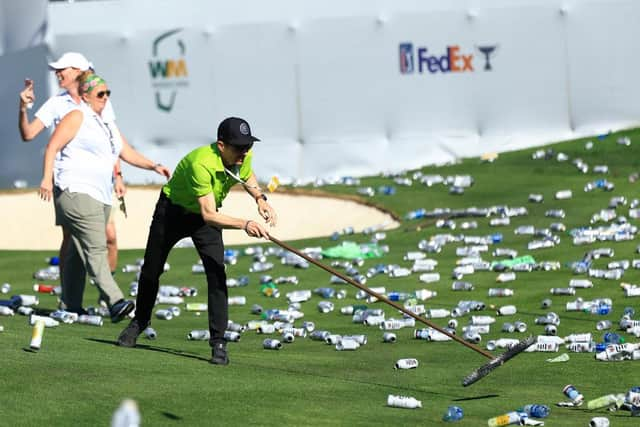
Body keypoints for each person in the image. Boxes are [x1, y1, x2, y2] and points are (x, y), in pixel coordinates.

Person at [117, 117, 277, 365]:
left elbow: (247, 176)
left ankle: (218, 341)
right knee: (151, 270)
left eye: (248, 147)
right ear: (221, 145)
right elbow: (210, 214)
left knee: (216, 273)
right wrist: (245, 224)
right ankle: (140, 321)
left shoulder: (241, 157)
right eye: (238, 147)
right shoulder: (200, 163)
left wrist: (260, 198)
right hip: (173, 213)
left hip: (204, 220)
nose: (244, 153)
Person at [38, 72, 171, 322]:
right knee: (96, 247)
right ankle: (115, 300)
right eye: (101, 94)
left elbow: (126, 152)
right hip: (75, 189)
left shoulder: (107, 124)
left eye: (108, 93)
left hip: (99, 194)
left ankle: (70, 305)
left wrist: (154, 166)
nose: (106, 97)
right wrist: (46, 178)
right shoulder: (77, 116)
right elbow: (52, 146)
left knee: (78, 252)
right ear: (86, 96)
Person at [19, 52, 125, 276]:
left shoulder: (101, 98)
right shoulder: (56, 104)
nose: (58, 73)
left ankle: (105, 293)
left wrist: (118, 175)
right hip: (69, 183)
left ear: (78, 71)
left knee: (110, 237)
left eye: (63, 69)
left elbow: (112, 140)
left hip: (101, 182)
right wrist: (23, 107)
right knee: (71, 239)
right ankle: (72, 296)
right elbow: (28, 134)